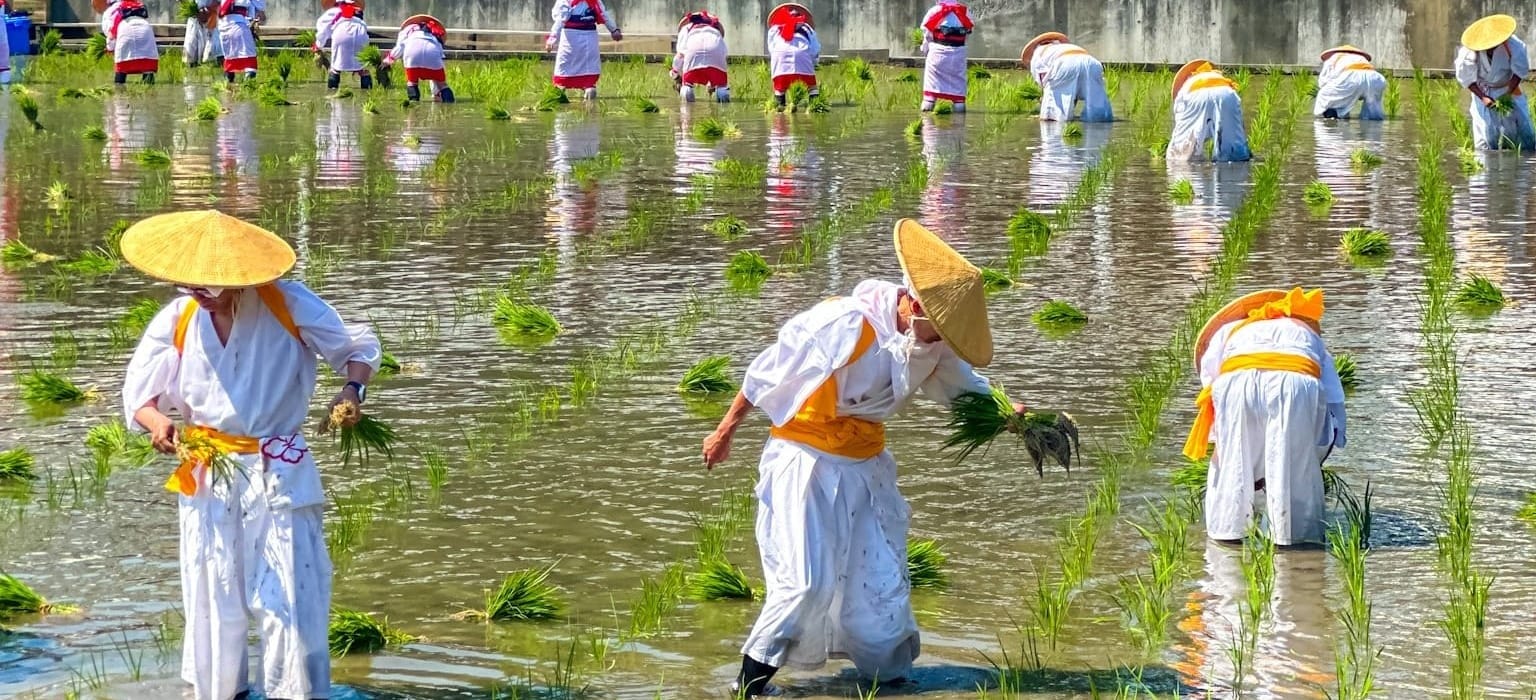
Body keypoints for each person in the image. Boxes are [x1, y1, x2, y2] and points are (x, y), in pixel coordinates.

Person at [702, 219, 1024, 697]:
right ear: (914, 304)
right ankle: (748, 686)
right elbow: (767, 372)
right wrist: (726, 429)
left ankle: (890, 684)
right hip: (805, 459)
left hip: (866, 467)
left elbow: (967, 390)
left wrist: (1008, 411)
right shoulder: (846, 324)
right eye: (940, 328)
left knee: (878, 590)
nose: (942, 341)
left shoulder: (931, 344)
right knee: (805, 582)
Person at [120, 210, 381, 700]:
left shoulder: (287, 304)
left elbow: (358, 349)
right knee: (213, 591)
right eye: (189, 282)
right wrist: (158, 425)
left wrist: (350, 393)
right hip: (207, 469)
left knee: (288, 594)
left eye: (210, 283)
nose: (198, 291)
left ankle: (296, 694)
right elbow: (139, 398)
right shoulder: (177, 319)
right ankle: (221, 694)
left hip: (278, 467)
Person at [1183, 287, 1345, 546]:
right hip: (1296, 383)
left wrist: (1224, 445)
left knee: (1231, 464)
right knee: (1297, 468)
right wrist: (1314, 455)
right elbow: (1334, 404)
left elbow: (1211, 387)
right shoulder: (1305, 333)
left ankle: (1228, 538)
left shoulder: (1231, 331)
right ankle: (1293, 542)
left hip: (1235, 383)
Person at [1455, 14, 1535, 151]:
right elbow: (1466, 78)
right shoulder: (1469, 52)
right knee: (1486, 130)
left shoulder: (1513, 45)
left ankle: (1525, 159)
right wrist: (1483, 97)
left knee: (1522, 124)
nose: (1490, 48)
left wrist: (1508, 93)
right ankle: (1487, 162)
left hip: (1508, 86)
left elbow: (1519, 71)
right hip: (1483, 90)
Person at [1167, 59, 1251, 162]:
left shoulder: (1185, 89)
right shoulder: (1218, 77)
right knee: (1234, 153)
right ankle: (1233, 173)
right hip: (1227, 94)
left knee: (1180, 154)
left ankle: (1187, 173)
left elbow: (1182, 123)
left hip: (1196, 96)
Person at [1021, 32, 1113, 122]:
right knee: (1099, 114)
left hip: (1064, 63)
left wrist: (1045, 101)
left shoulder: (1037, 53)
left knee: (1052, 116)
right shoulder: (1067, 47)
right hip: (1092, 64)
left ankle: (1054, 128)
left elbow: (1045, 83)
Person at [545, 0, 622, 101]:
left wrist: (614, 30)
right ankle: (562, 93)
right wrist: (552, 38)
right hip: (571, 40)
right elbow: (561, 19)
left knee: (586, 78)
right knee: (564, 72)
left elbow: (603, 14)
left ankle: (587, 99)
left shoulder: (593, 1)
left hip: (586, 39)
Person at [384, 14, 454, 102]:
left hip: (412, 54)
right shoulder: (435, 30)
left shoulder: (408, 29)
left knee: (412, 82)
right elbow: (439, 53)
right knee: (442, 84)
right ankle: (449, 107)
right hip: (432, 54)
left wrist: (388, 60)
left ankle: (413, 106)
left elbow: (400, 46)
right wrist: (435, 92)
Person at [917, 1, 973, 112]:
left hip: (938, 53)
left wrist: (925, 48)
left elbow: (927, 33)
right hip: (958, 55)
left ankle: (928, 105)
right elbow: (968, 32)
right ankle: (959, 107)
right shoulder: (965, 12)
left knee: (931, 88)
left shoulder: (934, 11)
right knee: (958, 90)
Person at [766, 3, 819, 110]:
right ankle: (815, 108)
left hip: (780, 61)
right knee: (812, 87)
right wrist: (813, 63)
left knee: (780, 89)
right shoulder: (807, 28)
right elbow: (814, 49)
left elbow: (772, 49)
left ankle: (780, 111)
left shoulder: (774, 29)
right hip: (802, 58)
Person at [1313, 45, 1386, 119]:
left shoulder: (1333, 57)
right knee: (1372, 111)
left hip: (1352, 76)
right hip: (1376, 78)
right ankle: (1373, 124)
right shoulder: (1361, 58)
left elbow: (1324, 80)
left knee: (1325, 95)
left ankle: (1331, 120)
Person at [672, 10, 729, 103]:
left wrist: (675, 74)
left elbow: (679, 56)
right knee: (722, 87)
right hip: (716, 52)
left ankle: (687, 109)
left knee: (686, 87)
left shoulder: (686, 28)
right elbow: (723, 55)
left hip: (693, 53)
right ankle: (722, 97)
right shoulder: (714, 31)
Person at [315, 0, 371, 91]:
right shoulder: (358, 10)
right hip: (361, 36)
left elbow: (322, 30)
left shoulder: (333, 11)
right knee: (363, 68)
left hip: (342, 35)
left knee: (335, 69)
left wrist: (318, 45)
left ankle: (332, 90)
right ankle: (367, 92)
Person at [104, 0, 160, 84]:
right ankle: (150, 93)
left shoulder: (111, 11)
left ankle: (119, 91)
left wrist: (110, 48)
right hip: (145, 30)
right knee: (147, 69)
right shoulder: (137, 5)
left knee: (121, 71)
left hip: (125, 30)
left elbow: (111, 33)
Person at [217, 0, 264, 83]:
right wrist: (260, 15)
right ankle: (248, 90)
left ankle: (228, 90)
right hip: (239, 25)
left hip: (223, 27)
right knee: (250, 63)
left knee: (229, 61)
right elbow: (261, 13)